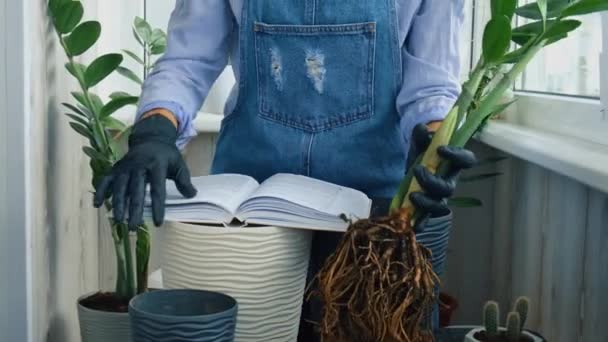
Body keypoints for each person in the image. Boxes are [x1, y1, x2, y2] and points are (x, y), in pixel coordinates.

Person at [94, 0, 476, 338]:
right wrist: (155, 130)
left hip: (374, 212)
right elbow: (187, 60)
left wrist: (433, 140)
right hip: (250, 214)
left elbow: (432, 83)